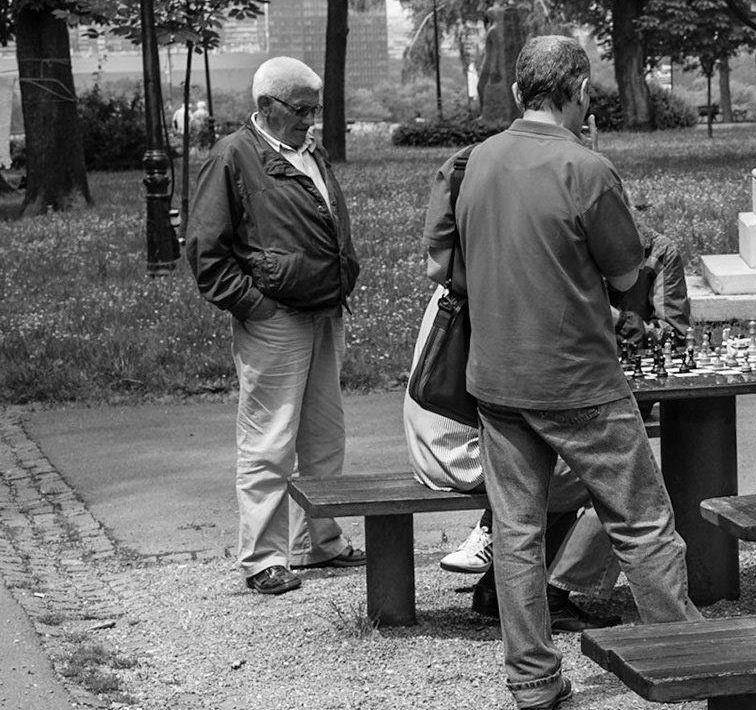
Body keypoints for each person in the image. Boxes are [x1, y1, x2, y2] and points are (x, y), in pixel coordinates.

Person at [422, 35, 698, 710]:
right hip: (579, 379)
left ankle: (533, 682)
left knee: (517, 532)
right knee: (640, 521)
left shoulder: (473, 161)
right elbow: (630, 272)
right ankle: (686, 661)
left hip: (496, 379)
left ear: (519, 94)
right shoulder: (586, 168)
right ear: (578, 91)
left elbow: (447, 265)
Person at [184, 56, 362, 598]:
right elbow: (205, 251)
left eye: (315, 108)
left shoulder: (308, 150)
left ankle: (322, 541)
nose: (312, 119)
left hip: (324, 310)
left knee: (324, 437)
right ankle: (263, 557)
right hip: (276, 317)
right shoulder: (233, 157)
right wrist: (254, 306)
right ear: (266, 106)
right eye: (302, 109)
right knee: (269, 441)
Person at [431, 222, 692, 584]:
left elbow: (675, 336)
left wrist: (615, 319)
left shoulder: (659, 254)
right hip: (561, 388)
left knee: (616, 482)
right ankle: (514, 570)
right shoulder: (563, 249)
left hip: (617, 390)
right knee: (582, 471)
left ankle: (538, 575)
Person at [401, 286, 625, 633]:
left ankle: (495, 584)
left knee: (569, 465)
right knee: (609, 472)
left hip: (430, 447)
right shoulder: (498, 290)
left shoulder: (453, 284)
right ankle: (553, 592)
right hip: (465, 457)